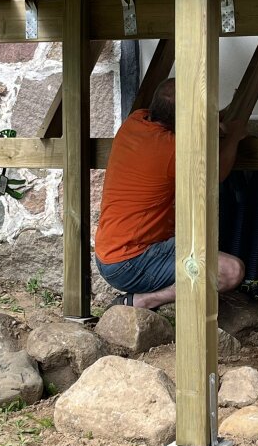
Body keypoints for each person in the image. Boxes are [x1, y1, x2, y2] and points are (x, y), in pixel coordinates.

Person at [95, 78, 246, 310]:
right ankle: (146, 300)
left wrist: (225, 115)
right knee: (230, 271)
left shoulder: (135, 121)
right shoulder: (170, 151)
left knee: (201, 240)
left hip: (111, 254)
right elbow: (216, 174)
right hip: (131, 263)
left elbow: (193, 125)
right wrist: (234, 137)